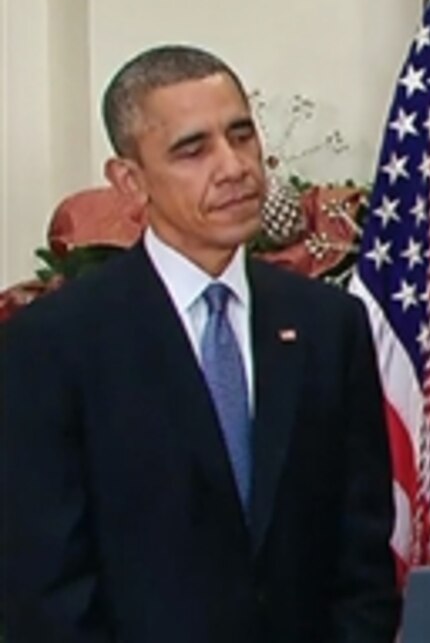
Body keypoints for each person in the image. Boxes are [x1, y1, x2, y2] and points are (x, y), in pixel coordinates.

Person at [0, 45, 401, 642]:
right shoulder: (55, 343)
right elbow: (44, 589)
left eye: (241, 136)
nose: (234, 166)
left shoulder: (327, 323)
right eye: (193, 150)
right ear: (130, 182)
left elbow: (362, 556)